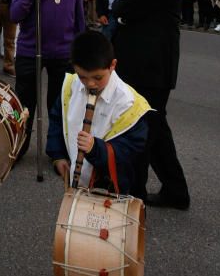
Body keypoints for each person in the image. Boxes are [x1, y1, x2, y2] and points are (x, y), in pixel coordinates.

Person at [112, 0, 190, 209]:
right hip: (145, 64)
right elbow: (133, 3)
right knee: (155, 129)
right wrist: (126, 4)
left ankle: (135, 195)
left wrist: (121, 6)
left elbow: (131, 5)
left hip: (152, 66)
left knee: (144, 129)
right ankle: (175, 191)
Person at [10, 0, 85, 157]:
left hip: (63, 52)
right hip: (30, 49)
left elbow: (79, 15)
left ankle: (57, 150)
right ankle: (17, 147)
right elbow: (15, 14)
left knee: (59, 105)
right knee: (23, 103)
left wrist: (81, 48)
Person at [46, 31, 150, 194]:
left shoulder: (128, 103)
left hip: (112, 191)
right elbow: (57, 120)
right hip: (78, 183)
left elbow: (132, 151)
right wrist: (57, 155)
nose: (90, 84)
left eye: (98, 77)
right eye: (83, 77)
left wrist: (96, 148)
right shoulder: (71, 86)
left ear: (112, 65)